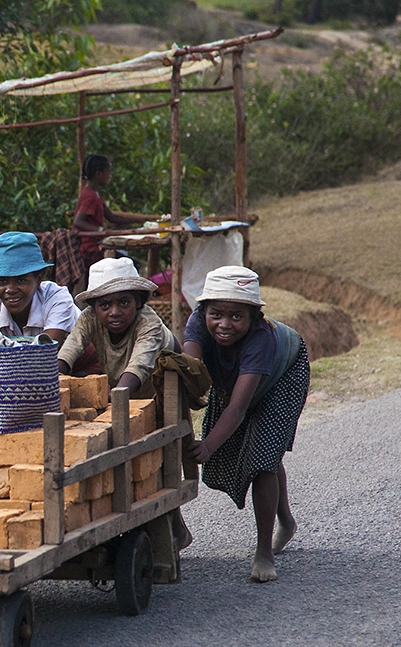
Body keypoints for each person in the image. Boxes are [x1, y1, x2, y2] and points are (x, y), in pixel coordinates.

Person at [183, 266, 309, 583]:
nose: (225, 325)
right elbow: (189, 372)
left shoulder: (261, 338)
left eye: (236, 316)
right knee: (265, 453)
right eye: (217, 314)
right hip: (233, 380)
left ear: (252, 316)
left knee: (264, 458)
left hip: (283, 375)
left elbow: (238, 408)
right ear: (203, 311)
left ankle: (264, 551)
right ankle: (287, 521)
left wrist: (209, 444)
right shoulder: (197, 322)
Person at [56, 257, 179, 400]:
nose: (114, 312)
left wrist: (116, 395)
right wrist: (54, 380)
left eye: (124, 302)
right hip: (125, 384)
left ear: (138, 301)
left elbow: (140, 364)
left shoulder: (148, 322)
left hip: (163, 377)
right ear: (94, 308)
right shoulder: (88, 317)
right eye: (105, 305)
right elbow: (70, 348)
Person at [0, 231, 79, 343]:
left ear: (38, 279)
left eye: (21, 280)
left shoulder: (57, 298)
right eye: (2, 281)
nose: (10, 290)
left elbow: (46, 351)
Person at [73, 155, 161, 274]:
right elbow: (78, 221)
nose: (109, 176)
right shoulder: (90, 196)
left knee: (129, 264)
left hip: (95, 245)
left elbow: (112, 217)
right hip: (90, 249)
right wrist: (100, 230)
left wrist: (139, 220)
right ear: (98, 174)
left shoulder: (95, 194)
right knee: (130, 265)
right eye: (108, 172)